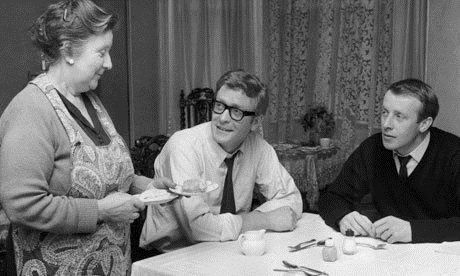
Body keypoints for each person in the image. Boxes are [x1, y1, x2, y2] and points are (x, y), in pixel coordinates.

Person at [0, 0, 175, 275]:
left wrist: (149, 188)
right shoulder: (31, 109)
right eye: (101, 52)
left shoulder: (90, 101)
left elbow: (108, 178)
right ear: (68, 51)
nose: (110, 63)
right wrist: (101, 211)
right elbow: (22, 205)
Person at [146, 69, 303, 250]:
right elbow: (197, 228)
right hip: (173, 257)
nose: (222, 118)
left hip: (229, 248)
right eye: (219, 105)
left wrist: (244, 224)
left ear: (255, 122)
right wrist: (265, 219)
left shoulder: (258, 147)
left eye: (236, 112)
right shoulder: (183, 146)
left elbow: (291, 199)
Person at [318, 78, 460, 244]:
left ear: (424, 124)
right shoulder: (373, 148)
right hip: (390, 256)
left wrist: (414, 231)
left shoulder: (454, 154)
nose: (386, 124)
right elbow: (331, 197)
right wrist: (343, 216)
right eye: (385, 112)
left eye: (399, 116)